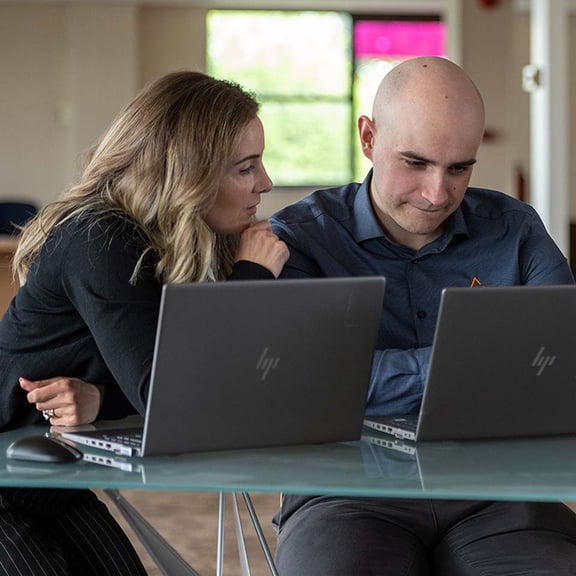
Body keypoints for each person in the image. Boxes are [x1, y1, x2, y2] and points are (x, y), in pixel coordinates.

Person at [269, 56, 576, 575]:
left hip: (497, 490)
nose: (438, 194)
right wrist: (477, 366)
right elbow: (310, 385)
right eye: (415, 162)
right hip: (342, 493)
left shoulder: (515, 227)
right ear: (368, 138)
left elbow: (561, 359)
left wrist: (375, 375)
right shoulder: (300, 239)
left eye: (459, 168)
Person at [0, 70, 288, 575]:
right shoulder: (100, 239)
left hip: (46, 478)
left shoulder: (173, 239)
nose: (265, 183)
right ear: (187, 174)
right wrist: (251, 276)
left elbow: (174, 374)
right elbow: (176, 400)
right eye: (245, 168)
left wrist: (100, 398)